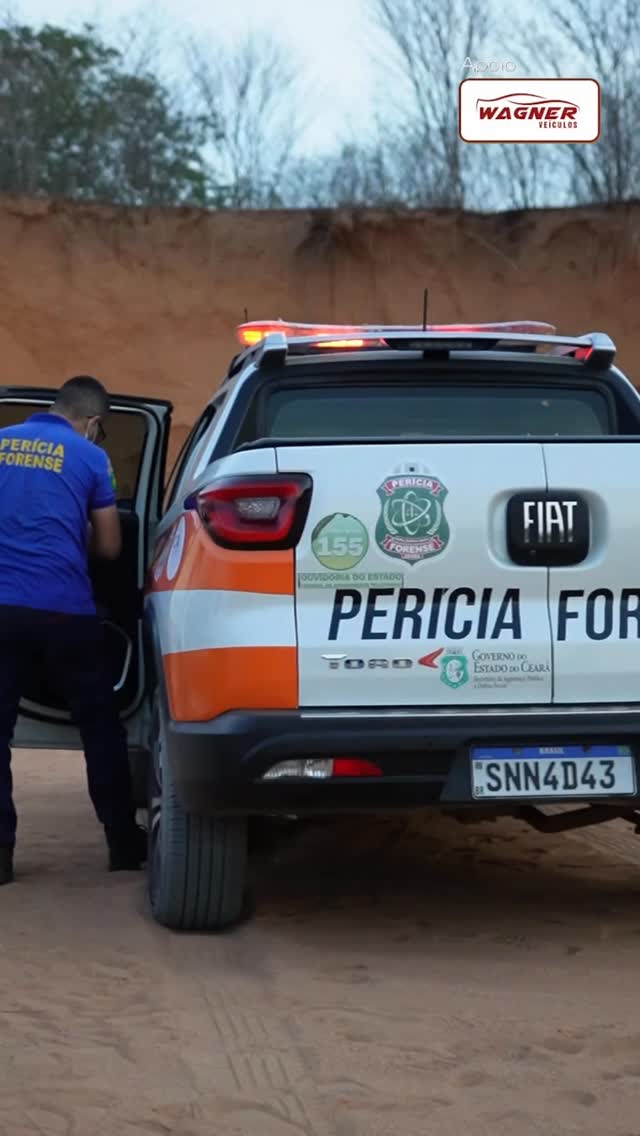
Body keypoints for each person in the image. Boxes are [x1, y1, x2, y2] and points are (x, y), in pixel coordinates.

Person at [0, 376, 147, 885]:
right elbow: (109, 547)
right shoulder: (89, 459)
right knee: (100, 729)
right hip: (65, 610)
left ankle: (0, 856)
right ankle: (123, 846)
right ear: (93, 423)